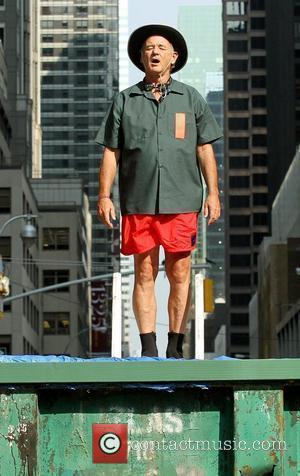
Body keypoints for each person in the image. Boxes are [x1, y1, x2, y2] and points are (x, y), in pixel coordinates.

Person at [95, 24, 222, 358]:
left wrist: (213, 193)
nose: (154, 52)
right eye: (148, 48)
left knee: (180, 273)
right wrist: (105, 195)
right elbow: (111, 152)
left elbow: (205, 149)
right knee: (144, 272)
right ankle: (149, 348)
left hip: (183, 200)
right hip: (139, 201)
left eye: (161, 47)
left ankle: (175, 347)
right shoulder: (124, 100)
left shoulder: (191, 98)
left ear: (174, 57)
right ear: (140, 57)